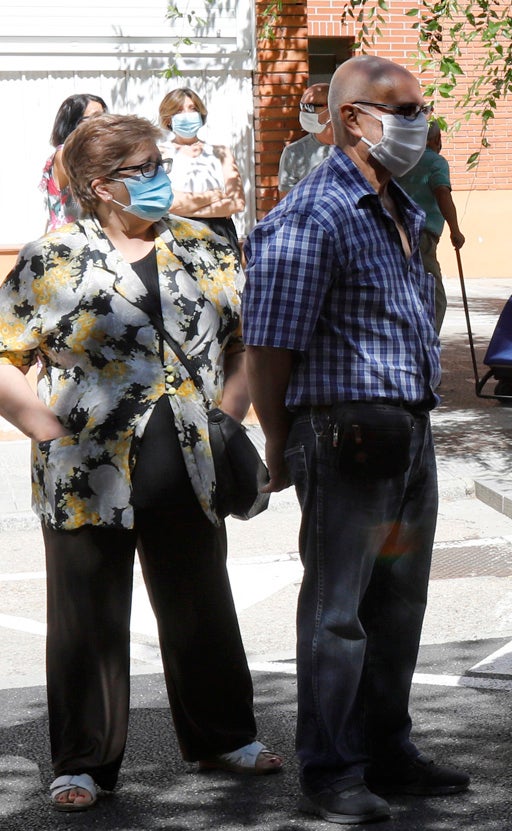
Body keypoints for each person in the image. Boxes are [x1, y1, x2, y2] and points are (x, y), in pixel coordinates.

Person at [0, 114, 282, 813]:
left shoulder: (205, 245)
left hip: (189, 458)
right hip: (85, 470)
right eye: (146, 167)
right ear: (102, 186)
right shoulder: (50, 258)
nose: (163, 176)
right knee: (86, 616)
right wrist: (43, 425)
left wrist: (234, 411)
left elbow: (248, 338)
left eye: (161, 162)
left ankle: (224, 734)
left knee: (201, 602)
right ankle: (82, 761)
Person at [243, 55, 469, 825]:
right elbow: (269, 345)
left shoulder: (398, 207)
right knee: (339, 611)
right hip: (346, 438)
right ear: (350, 119)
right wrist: (278, 442)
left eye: (419, 106)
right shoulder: (311, 215)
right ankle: (333, 767)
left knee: (399, 601)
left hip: (406, 433)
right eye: (398, 108)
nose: (417, 120)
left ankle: (386, 746)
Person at [396, 120, 466, 332]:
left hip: (394, 231)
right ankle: (426, 343)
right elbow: (442, 193)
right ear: (437, 140)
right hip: (422, 234)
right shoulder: (436, 162)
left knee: (404, 288)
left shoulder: (399, 160)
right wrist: (455, 230)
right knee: (435, 298)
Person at [158, 87, 246, 255]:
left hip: (220, 236)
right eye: (179, 110)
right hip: (177, 237)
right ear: (168, 118)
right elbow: (169, 203)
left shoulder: (221, 152)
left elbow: (237, 202)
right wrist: (215, 195)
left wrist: (185, 209)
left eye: (192, 108)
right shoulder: (160, 153)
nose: (186, 114)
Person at [40, 93, 108, 232]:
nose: (103, 122)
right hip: (67, 241)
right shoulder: (64, 153)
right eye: (95, 117)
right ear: (73, 122)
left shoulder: (93, 152)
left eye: (104, 117)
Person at [278, 82, 334, 197]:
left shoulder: (356, 147)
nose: (303, 113)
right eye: (302, 106)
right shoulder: (294, 152)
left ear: (331, 108)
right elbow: (286, 205)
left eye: (309, 107)